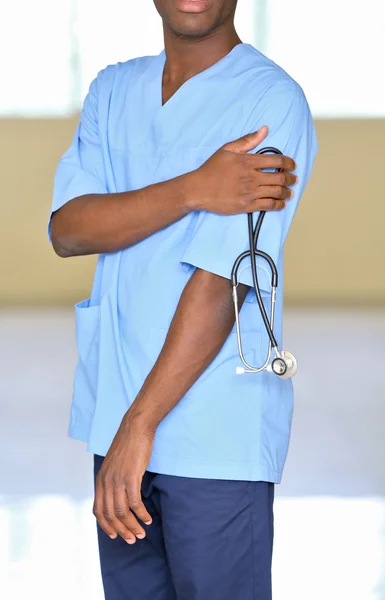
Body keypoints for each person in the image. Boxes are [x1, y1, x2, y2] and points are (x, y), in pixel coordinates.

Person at [49, 0, 317, 598]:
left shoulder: (270, 102)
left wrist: (137, 426)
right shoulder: (113, 90)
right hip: (116, 418)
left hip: (213, 435)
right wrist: (196, 187)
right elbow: (69, 229)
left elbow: (224, 277)